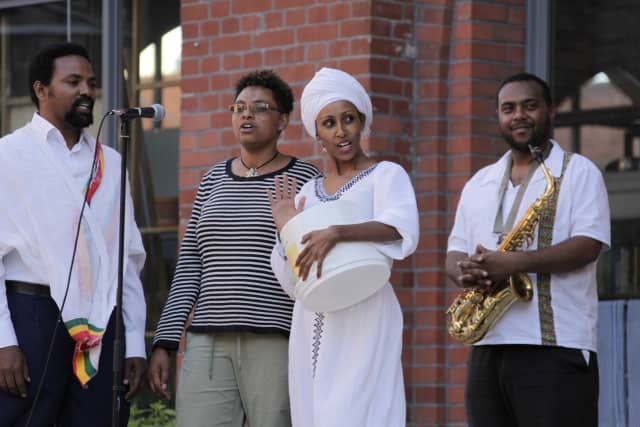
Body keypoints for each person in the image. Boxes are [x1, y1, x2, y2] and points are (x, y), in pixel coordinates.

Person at [148, 69, 320, 427]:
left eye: (259, 108)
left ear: (283, 119)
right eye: (238, 107)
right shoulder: (212, 179)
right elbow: (191, 264)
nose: (246, 114)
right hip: (208, 341)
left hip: (276, 339)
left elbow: (310, 264)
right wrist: (165, 340)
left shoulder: (305, 179)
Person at [445, 73, 611, 427]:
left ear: (550, 111)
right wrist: (465, 271)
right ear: (499, 117)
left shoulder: (579, 172)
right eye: (508, 108)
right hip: (487, 346)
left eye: (529, 106)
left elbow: (588, 245)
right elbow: (454, 250)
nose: (518, 115)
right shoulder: (479, 182)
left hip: (555, 347)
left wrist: (513, 263)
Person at [0, 42, 147, 426]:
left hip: (101, 318)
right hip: (30, 315)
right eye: (73, 81)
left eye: (92, 82)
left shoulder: (111, 162)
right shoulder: (8, 156)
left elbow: (127, 259)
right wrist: (4, 341)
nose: (87, 90)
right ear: (41, 90)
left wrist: (133, 341)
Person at [268, 67, 420, 427]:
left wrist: (338, 232)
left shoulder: (387, 175)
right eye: (329, 123)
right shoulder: (308, 191)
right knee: (314, 409)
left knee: (356, 410)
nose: (341, 131)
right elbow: (292, 272)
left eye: (348, 119)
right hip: (313, 318)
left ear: (362, 122)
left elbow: (401, 227)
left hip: (365, 312)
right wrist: (285, 228)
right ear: (317, 133)